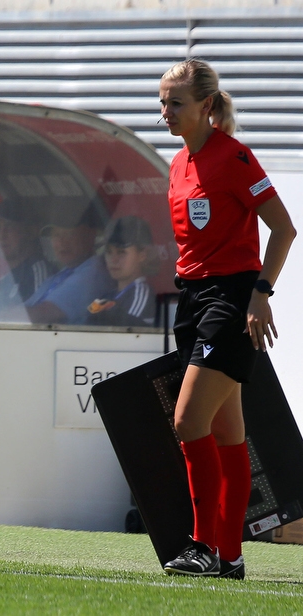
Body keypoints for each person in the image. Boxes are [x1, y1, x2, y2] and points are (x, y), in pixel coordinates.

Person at [158, 58, 295, 579]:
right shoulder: (177, 163)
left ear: (206, 106)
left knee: (187, 421)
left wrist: (261, 292)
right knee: (228, 436)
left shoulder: (235, 158)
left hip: (231, 301)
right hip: (193, 301)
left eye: (176, 103)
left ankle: (203, 545)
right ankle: (231, 559)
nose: (165, 112)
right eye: (163, 102)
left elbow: (284, 229)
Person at [24, 202, 115, 325]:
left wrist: (2, 315)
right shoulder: (63, 274)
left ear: (90, 236)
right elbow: (26, 309)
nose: (61, 243)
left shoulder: (94, 273)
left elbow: (41, 316)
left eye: (69, 234)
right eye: (56, 235)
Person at [0, 197, 55, 322]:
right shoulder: (5, 279)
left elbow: (40, 327)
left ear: (32, 231)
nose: (1, 235)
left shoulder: (38, 272)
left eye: (10, 227)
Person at [86, 215, 157, 328]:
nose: (113, 260)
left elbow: (128, 336)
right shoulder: (107, 296)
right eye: (109, 252)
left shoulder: (141, 295)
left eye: (121, 252)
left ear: (142, 255)